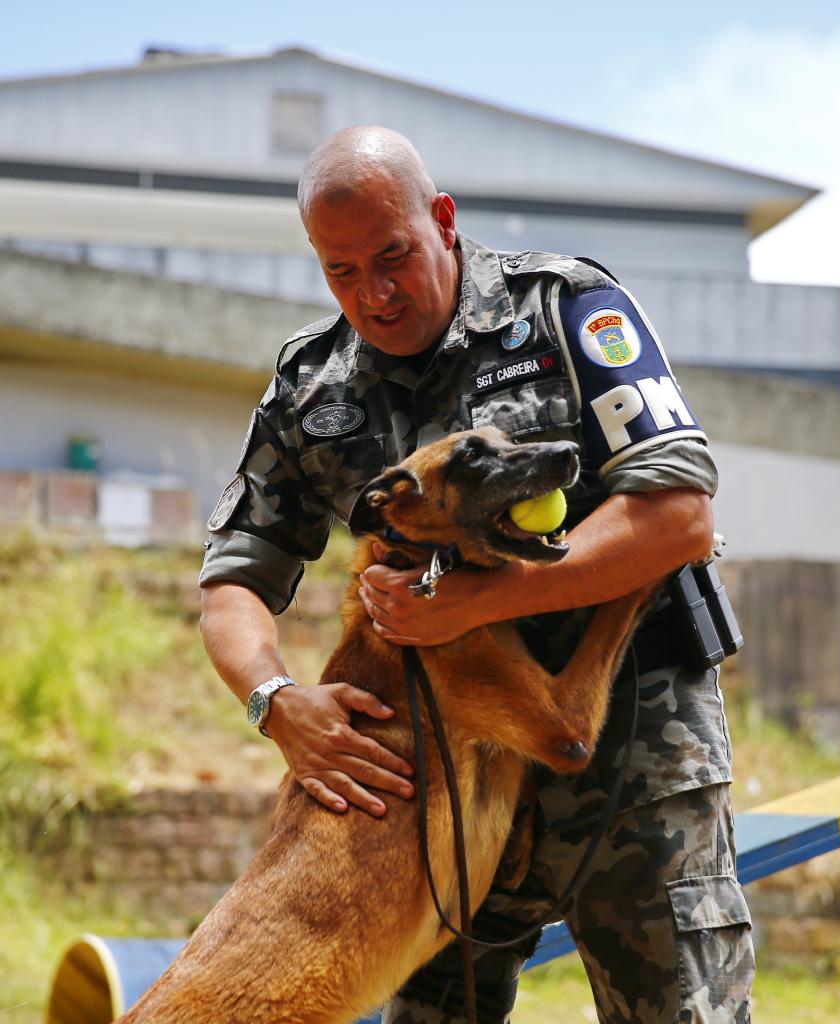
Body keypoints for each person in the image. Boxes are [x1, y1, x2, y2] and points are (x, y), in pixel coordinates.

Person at [199, 125, 755, 1023]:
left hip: (634, 763)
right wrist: (274, 699)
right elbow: (233, 583)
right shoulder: (311, 385)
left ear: (443, 220)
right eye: (341, 272)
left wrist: (488, 600)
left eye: (393, 257)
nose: (373, 294)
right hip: (441, 792)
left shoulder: (567, 307)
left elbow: (679, 512)